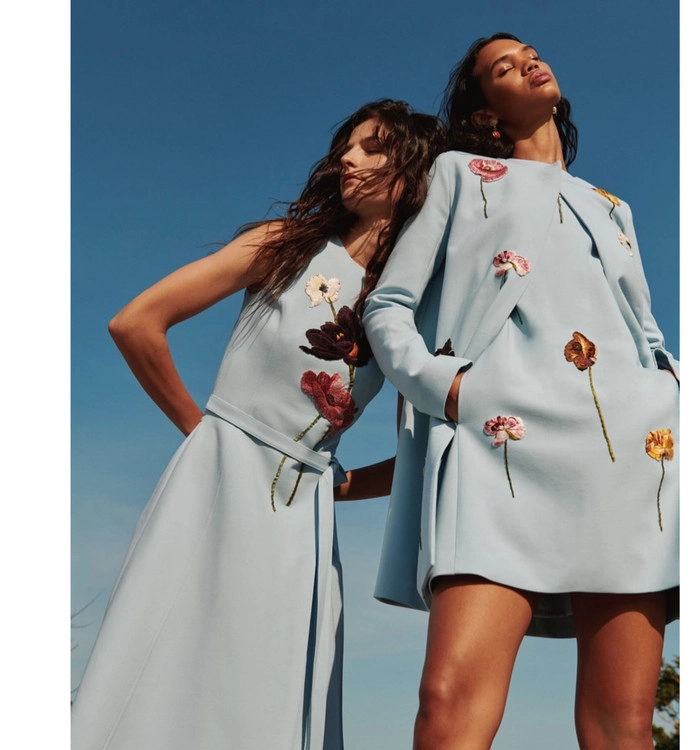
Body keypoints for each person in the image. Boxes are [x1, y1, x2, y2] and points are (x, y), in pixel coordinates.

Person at [71, 99, 445, 750]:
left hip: (305, 525)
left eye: (373, 147)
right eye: (347, 145)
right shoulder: (284, 246)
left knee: (266, 685)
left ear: (413, 172)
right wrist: (207, 436)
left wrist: (337, 485)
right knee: (168, 658)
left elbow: (421, 449)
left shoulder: (405, 311)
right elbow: (136, 323)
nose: (347, 158)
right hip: (213, 481)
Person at [363, 35, 679, 750]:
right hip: (498, 436)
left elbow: (645, 330)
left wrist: (673, 390)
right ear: (485, 113)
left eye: (531, 53)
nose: (530, 63)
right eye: (503, 67)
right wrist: (448, 389)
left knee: (622, 723)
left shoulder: (613, 206)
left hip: (627, 448)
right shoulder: (459, 174)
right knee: (447, 703)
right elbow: (389, 305)